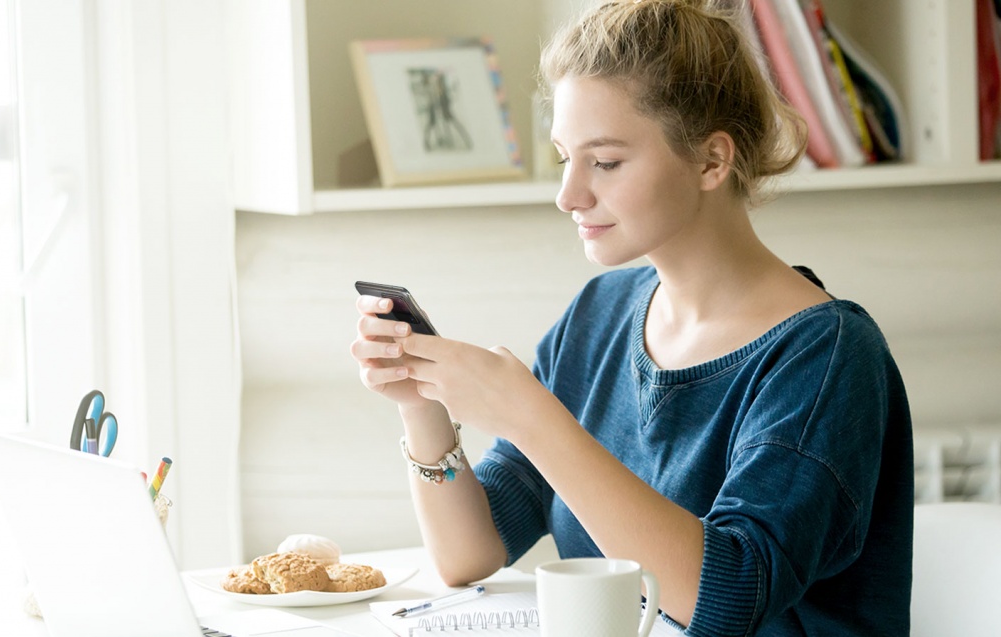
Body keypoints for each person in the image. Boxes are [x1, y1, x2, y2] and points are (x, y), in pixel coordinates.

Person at [351, 1, 913, 634]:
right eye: (565, 158)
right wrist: (422, 405)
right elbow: (470, 554)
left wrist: (531, 418)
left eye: (606, 162)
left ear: (712, 161)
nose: (568, 195)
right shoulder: (599, 315)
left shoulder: (828, 354)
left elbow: (726, 600)